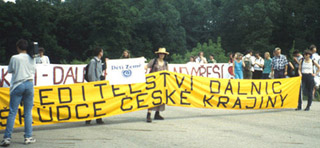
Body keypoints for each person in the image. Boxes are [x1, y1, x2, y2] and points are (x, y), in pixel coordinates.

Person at [0, 39, 36, 146]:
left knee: (13, 112)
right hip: (29, 84)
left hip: (17, 85)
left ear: (18, 47)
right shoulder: (32, 57)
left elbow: (10, 70)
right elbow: (33, 70)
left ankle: (7, 138)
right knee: (28, 112)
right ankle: (28, 137)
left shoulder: (14, 58)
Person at [145, 47, 169, 123]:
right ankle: (148, 114)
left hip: (161, 83)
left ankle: (157, 114)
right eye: (160, 54)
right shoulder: (154, 61)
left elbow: (168, 73)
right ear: (158, 54)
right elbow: (146, 66)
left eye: (163, 54)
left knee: (160, 97)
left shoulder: (166, 63)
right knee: (152, 98)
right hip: (153, 83)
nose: (162, 55)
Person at [85, 47, 105, 125]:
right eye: (102, 52)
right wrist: (93, 84)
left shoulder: (99, 61)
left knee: (98, 102)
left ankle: (98, 118)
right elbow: (90, 74)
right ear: (99, 53)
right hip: (94, 85)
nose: (102, 53)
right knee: (92, 102)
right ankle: (88, 118)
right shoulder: (93, 61)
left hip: (99, 84)